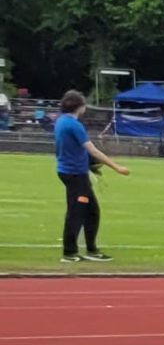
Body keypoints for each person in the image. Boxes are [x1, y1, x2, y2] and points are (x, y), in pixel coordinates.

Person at [53, 91, 130, 264]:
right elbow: (92, 150)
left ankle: (91, 249)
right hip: (75, 174)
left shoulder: (61, 121)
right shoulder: (74, 125)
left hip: (72, 171)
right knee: (77, 212)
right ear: (79, 107)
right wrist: (117, 167)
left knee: (92, 212)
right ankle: (70, 252)